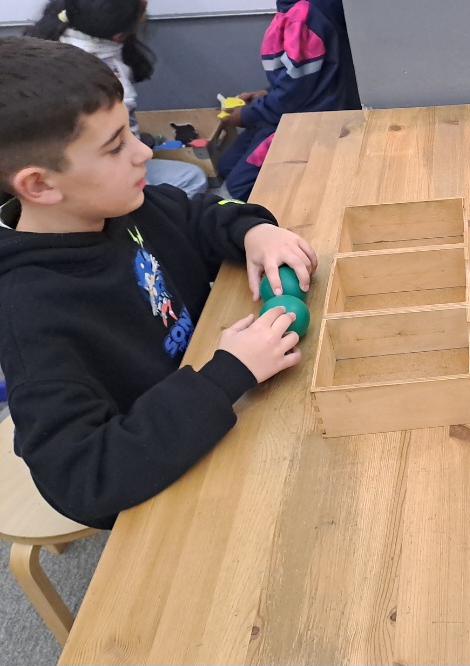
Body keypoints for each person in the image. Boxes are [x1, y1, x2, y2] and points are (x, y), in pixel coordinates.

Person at [0, 37, 318, 529]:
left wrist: (253, 231)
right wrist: (228, 374)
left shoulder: (121, 205)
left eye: (130, 131)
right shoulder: (32, 314)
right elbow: (84, 479)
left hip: (219, 409)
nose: (143, 151)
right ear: (39, 184)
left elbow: (199, 213)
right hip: (169, 485)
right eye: (115, 147)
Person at [24, 0, 209, 198]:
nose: (144, 1)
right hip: (86, 173)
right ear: (119, 35)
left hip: (53, 157)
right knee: (191, 178)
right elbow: (123, 146)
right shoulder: (111, 79)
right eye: (139, 4)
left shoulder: (66, 7)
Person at [217, 0, 360, 201]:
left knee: (234, 190)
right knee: (226, 165)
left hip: (306, 121)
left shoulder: (302, 17)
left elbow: (294, 95)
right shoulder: (304, 2)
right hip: (293, 107)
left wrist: (247, 115)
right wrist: (265, 94)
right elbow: (302, 77)